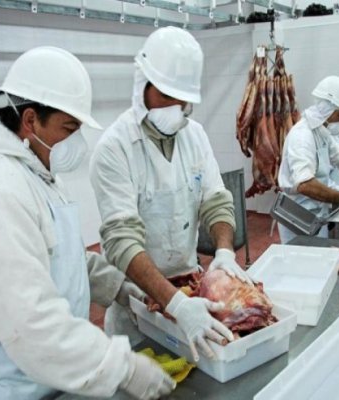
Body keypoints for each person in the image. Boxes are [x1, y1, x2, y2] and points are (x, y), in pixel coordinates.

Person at [0, 47, 174, 400]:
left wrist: (119, 285)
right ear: (30, 120)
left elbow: (61, 258)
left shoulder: (38, 176)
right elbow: (31, 324)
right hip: (6, 384)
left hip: (48, 377)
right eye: (69, 128)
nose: (77, 142)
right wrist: (122, 367)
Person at [89, 27, 251, 362]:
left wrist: (223, 252)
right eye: (166, 94)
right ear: (141, 85)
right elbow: (122, 240)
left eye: (183, 98)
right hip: (139, 303)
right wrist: (175, 305)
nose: (176, 106)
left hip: (191, 286)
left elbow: (215, 200)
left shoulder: (196, 137)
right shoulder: (115, 148)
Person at [277, 75, 339, 244]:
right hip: (298, 215)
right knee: (302, 264)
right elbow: (305, 184)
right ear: (327, 109)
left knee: (318, 259)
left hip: (316, 211)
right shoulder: (302, 136)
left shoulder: (321, 132)